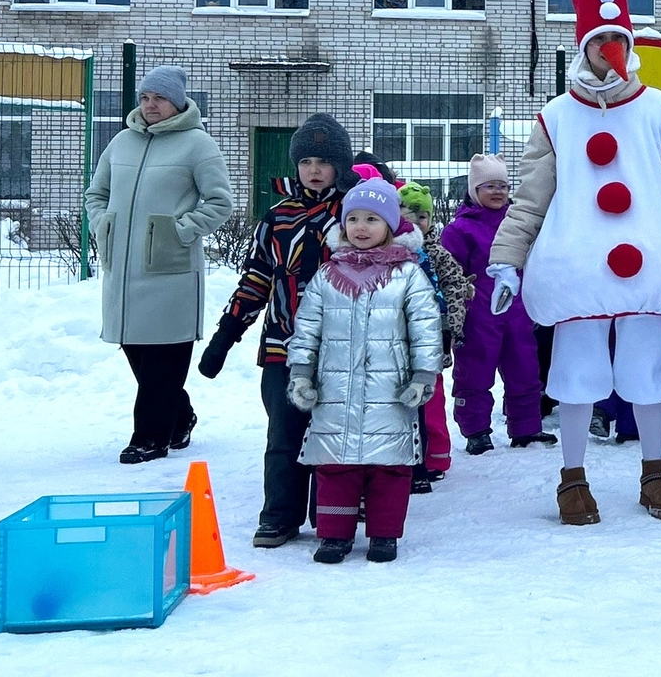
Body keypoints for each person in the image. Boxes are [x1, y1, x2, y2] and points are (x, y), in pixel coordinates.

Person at [488, 0, 661, 524]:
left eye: (618, 40)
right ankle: (572, 480)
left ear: (630, 46)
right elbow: (530, 197)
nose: (609, 51)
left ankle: (654, 473)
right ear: (583, 48)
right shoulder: (555, 117)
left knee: (650, 372)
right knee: (576, 376)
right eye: (598, 41)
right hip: (577, 270)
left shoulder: (658, 112)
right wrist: (506, 260)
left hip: (647, 270)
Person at [197, 113, 360, 548]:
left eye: (323, 162)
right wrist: (225, 336)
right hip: (282, 345)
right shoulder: (276, 217)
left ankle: (332, 513)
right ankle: (279, 515)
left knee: (333, 432)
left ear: (339, 166)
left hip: (341, 345)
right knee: (283, 434)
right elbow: (255, 278)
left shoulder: (355, 213)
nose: (313, 170)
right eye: (305, 161)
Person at [286, 178, 443, 563]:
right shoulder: (327, 275)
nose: (360, 227)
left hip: (389, 390)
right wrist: (302, 373)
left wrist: (423, 376)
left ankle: (384, 534)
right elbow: (307, 327)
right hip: (334, 389)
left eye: (372, 219)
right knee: (335, 466)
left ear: (391, 226)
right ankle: (335, 536)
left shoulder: (408, 275)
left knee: (390, 466)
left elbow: (425, 328)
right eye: (352, 218)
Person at [85, 65, 233, 464]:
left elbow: (221, 202)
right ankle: (180, 415)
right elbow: (95, 194)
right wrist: (104, 225)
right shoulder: (121, 143)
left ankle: (149, 437)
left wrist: (179, 232)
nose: (150, 106)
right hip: (123, 272)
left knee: (165, 359)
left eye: (159, 99)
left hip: (171, 272)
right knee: (136, 350)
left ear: (178, 102)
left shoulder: (197, 145)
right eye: (145, 98)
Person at [440, 154, 554, 454]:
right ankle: (476, 430)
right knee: (474, 371)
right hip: (478, 313)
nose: (498, 192)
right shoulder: (460, 230)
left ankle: (526, 427)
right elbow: (451, 274)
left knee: (525, 368)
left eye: (503, 186)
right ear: (474, 190)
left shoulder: (518, 224)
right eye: (489, 186)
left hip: (517, 312)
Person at [399, 180, 472, 483]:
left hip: (432, 336)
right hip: (399, 337)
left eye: (422, 216)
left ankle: (436, 456)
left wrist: (452, 324)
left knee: (431, 398)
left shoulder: (438, 253)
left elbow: (454, 286)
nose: (416, 222)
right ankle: (403, 456)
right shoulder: (395, 251)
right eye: (408, 216)